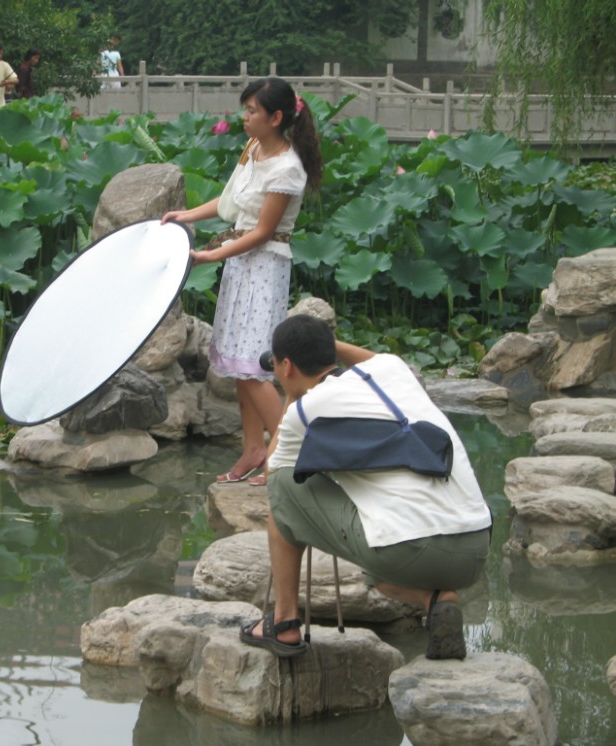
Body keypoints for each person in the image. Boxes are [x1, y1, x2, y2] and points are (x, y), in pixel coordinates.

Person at [239, 315, 492, 660]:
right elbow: (359, 358)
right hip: (474, 551)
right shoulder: (394, 368)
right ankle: (436, 601)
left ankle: (283, 622)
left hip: (404, 552)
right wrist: (320, 342)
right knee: (378, 577)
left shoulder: (305, 410)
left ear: (285, 365)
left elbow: (273, 474)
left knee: (283, 485)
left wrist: (289, 397)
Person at [161, 77, 323, 485]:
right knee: (237, 364)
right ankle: (253, 448)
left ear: (277, 117)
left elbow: (264, 231)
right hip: (239, 264)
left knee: (254, 367)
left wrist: (211, 254)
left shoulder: (288, 168)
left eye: (252, 111)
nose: (244, 117)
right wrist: (188, 215)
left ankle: (285, 452)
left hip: (264, 266)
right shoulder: (252, 149)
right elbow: (232, 203)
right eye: (245, 109)